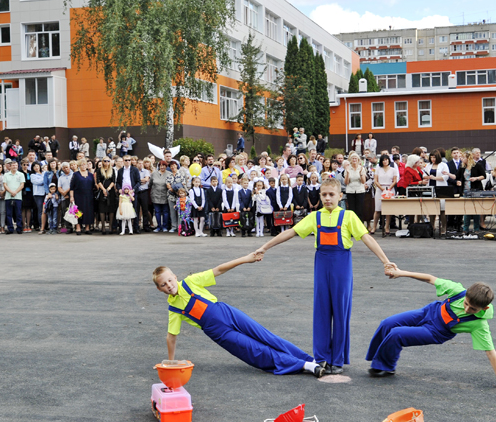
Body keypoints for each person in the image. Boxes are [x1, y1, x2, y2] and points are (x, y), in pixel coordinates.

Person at [256, 178, 395, 375]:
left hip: (341, 266)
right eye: (324, 195)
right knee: (321, 312)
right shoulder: (315, 217)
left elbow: (367, 238)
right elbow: (291, 232)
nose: (328, 198)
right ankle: (321, 358)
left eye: (332, 194)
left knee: (340, 311)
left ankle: (337, 359)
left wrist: (385, 261)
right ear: (320, 196)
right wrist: (264, 247)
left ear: (340, 196)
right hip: (321, 265)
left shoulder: (349, 216)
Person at [154, 253, 325, 377]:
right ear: (159, 289)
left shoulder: (191, 282)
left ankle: (310, 359)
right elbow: (171, 337)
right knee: (256, 351)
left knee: (266, 336)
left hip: (227, 312)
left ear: (175, 277)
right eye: (163, 284)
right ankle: (306, 366)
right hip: (219, 332)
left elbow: (219, 270)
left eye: (170, 280)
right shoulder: (174, 309)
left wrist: (246, 259)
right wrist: (170, 362)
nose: (169, 285)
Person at [365, 267, 496, 391]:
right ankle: (377, 356)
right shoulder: (458, 290)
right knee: (387, 323)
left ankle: (385, 367)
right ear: (466, 294)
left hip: (436, 332)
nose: (467, 309)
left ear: (485, 307)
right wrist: (401, 273)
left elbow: (490, 352)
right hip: (428, 312)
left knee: (396, 334)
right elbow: (429, 278)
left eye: (473, 309)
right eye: (466, 304)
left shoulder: (479, 324)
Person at [371, 153, 399, 236]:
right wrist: (382, 188)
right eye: (383, 160)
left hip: (390, 189)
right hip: (380, 189)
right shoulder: (378, 169)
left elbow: (394, 180)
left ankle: (387, 227)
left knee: (388, 210)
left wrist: (389, 188)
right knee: (377, 209)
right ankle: (374, 226)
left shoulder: (393, 169)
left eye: (386, 160)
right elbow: (375, 181)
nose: (385, 161)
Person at [115, 155, 142, 234]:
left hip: (132, 193)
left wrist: (133, 190)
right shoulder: (120, 171)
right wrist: (119, 188)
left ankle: (135, 228)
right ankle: (122, 228)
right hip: (123, 194)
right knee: (123, 210)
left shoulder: (135, 170)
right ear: (123, 161)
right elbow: (118, 182)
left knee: (134, 210)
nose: (127, 162)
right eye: (126, 160)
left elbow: (138, 182)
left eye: (129, 160)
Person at [3, 160, 24, 234]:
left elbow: (22, 185)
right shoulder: (6, 175)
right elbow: (5, 185)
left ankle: (19, 228)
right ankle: (10, 228)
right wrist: (11, 192)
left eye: (16, 165)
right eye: (13, 165)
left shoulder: (21, 174)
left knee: (18, 213)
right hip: (8, 196)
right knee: (9, 213)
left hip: (18, 196)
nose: (14, 167)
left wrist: (15, 192)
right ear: (10, 166)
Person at [150, 160, 170, 233]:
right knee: (157, 212)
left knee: (165, 211)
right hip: (155, 195)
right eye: (161, 165)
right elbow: (150, 184)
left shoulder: (169, 174)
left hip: (165, 195)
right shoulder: (154, 173)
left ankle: (165, 226)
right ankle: (158, 226)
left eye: (164, 165)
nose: (162, 167)